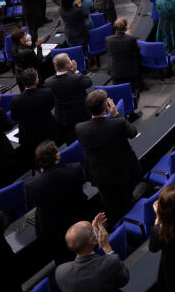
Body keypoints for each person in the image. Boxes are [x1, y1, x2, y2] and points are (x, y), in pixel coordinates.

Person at [76, 89, 141, 224]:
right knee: (127, 201)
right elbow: (133, 133)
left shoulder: (80, 128)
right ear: (106, 106)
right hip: (122, 171)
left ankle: (116, 226)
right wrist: (116, 114)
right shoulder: (118, 123)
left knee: (110, 206)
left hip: (100, 176)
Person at [25, 140, 90, 265]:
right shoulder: (75, 169)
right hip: (79, 219)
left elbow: (32, 202)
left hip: (53, 232)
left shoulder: (31, 185)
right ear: (57, 156)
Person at [45, 52, 94, 138]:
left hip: (63, 118)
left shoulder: (48, 82)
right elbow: (88, 82)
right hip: (81, 114)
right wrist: (75, 71)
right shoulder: (76, 78)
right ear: (68, 64)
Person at [105, 17, 144, 91]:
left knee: (118, 91)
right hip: (130, 72)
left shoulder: (108, 39)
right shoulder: (131, 39)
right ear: (126, 28)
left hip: (115, 71)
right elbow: (137, 51)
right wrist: (129, 36)